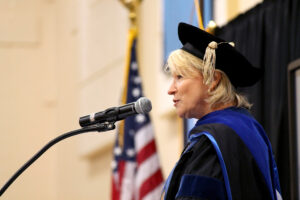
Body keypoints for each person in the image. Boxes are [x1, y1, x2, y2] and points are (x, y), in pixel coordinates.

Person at [162, 22, 282, 200]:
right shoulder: (250, 129)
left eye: (180, 77)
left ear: (213, 80)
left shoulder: (211, 142)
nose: (170, 89)